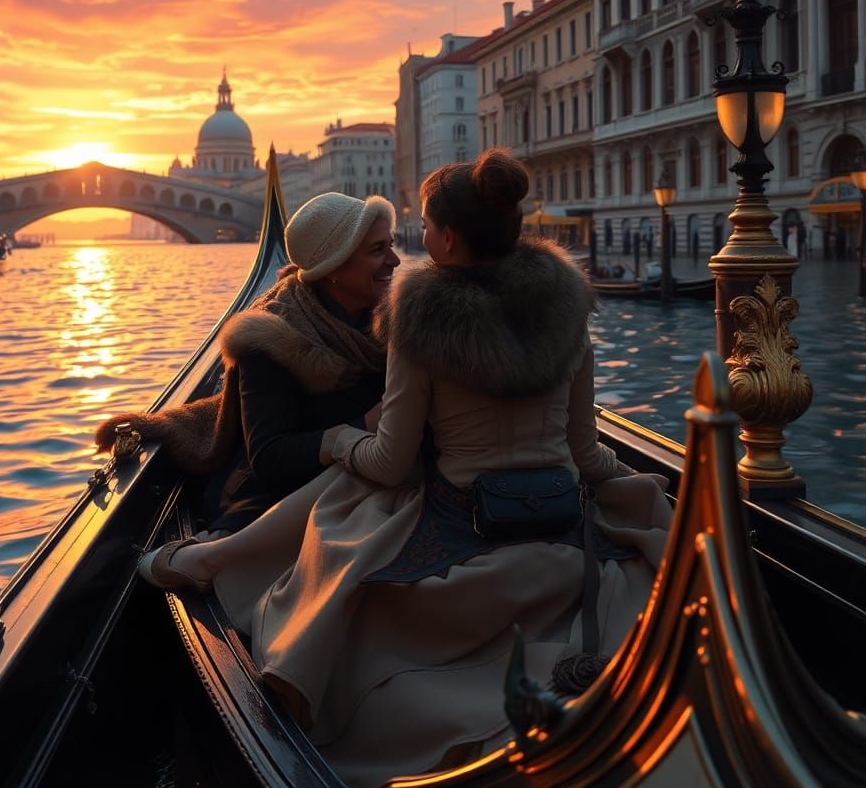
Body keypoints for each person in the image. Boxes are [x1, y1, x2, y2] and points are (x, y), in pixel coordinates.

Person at [138, 150, 672, 786]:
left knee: (347, 497)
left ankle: (214, 561)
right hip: (561, 516)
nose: (400, 255)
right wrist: (644, 484)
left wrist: (341, 439)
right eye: (381, 246)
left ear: (443, 238)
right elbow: (587, 453)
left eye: (411, 235)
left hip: (466, 528)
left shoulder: (417, 321)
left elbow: (390, 462)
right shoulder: (569, 316)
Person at [95, 192, 399, 534]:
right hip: (286, 498)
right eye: (377, 250)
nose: (395, 260)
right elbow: (270, 457)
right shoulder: (272, 340)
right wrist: (365, 423)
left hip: (365, 482)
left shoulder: (387, 322)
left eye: (391, 244)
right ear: (333, 268)